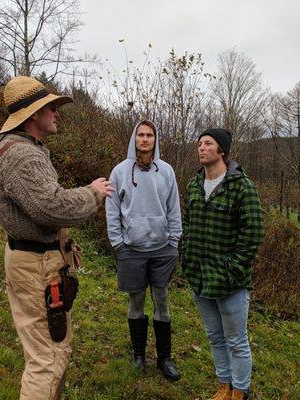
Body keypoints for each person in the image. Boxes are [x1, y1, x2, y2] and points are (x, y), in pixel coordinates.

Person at [0, 75, 114, 400]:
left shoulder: (19, 150)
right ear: (33, 115)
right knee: (48, 359)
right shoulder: (22, 156)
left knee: (46, 352)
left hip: (33, 263)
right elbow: (52, 208)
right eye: (51, 107)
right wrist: (93, 193)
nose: (57, 112)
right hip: (37, 268)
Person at [181, 128, 264, 400]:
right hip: (200, 277)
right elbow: (187, 225)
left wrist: (233, 269)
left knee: (237, 341)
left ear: (222, 151)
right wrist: (187, 260)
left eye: (208, 143)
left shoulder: (241, 187)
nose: (201, 148)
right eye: (200, 144)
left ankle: (240, 391)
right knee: (215, 337)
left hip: (230, 282)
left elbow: (253, 234)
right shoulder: (194, 185)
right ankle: (223, 386)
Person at [105, 120, 182, 381]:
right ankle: (139, 355)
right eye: (141, 135)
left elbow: (174, 208)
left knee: (162, 300)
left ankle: (165, 358)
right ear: (134, 138)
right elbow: (112, 210)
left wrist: (173, 242)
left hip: (162, 249)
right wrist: (118, 244)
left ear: (155, 140)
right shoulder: (120, 172)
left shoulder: (167, 171)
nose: (145, 139)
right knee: (136, 301)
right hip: (132, 250)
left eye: (150, 135)